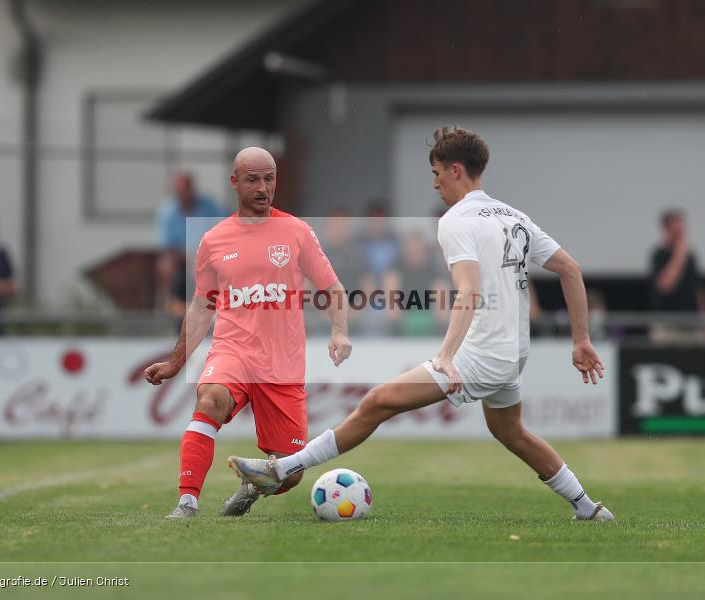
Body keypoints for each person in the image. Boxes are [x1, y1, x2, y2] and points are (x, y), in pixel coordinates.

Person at [228, 127, 614, 522]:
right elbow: (570, 268)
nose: (434, 183)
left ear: (456, 170)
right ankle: (589, 509)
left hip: (482, 354)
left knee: (377, 402)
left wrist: (446, 356)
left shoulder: (456, 220)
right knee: (510, 432)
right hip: (513, 352)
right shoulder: (513, 217)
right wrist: (580, 339)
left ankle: (281, 469)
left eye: (436, 173)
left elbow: (468, 291)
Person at [144, 148, 352, 518]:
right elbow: (202, 306)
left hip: (282, 364)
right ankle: (187, 502)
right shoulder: (213, 240)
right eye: (253, 179)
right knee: (210, 398)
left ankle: (251, 487)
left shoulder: (297, 231)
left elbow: (333, 288)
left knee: (290, 473)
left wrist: (339, 333)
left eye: (269, 179)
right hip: (233, 351)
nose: (262, 188)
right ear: (235, 182)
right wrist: (177, 362)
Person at [156, 172, 225, 318]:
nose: (185, 194)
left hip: (207, 252)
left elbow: (222, 230)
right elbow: (168, 246)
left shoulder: (209, 206)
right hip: (181, 257)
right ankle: (170, 304)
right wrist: (188, 256)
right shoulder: (167, 211)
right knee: (166, 266)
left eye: (187, 189)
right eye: (181, 190)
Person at [648, 210, 705, 344]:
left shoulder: (691, 256)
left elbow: (699, 290)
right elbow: (665, 285)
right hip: (668, 326)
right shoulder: (659, 255)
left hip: (693, 325)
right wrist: (679, 254)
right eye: (677, 228)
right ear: (666, 228)